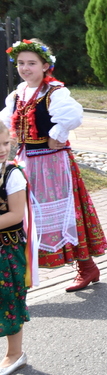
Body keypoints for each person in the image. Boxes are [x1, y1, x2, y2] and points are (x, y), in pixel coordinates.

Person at [1, 39, 107, 292]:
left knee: (63, 215)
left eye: (32, 63)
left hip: (52, 164)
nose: (25, 68)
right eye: (21, 63)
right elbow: (6, 124)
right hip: (26, 162)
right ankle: (20, 274)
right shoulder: (17, 94)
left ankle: (86, 266)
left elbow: (73, 116)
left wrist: (57, 134)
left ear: (45, 65)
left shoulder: (55, 92)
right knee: (27, 215)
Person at [0, 122, 30, 375]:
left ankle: (15, 353)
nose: (2, 149)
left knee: (9, 299)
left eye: (6, 143)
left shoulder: (12, 174)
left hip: (6, 249)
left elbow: (16, 215)